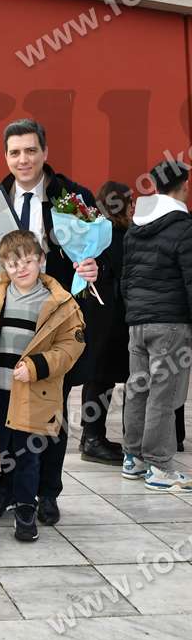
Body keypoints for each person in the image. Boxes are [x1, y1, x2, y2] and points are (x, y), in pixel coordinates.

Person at [0, 118, 98, 540]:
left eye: (30, 150)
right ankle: (5, 491)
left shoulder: (73, 198)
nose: (23, 159)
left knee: (50, 414)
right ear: (6, 156)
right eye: (14, 152)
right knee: (3, 420)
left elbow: (105, 249)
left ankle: (46, 492)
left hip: (52, 325)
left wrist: (94, 267)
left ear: (44, 152)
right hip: (6, 327)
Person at [0, 230, 85, 547]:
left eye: (28, 261)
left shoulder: (60, 302)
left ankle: (26, 511)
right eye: (13, 264)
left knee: (28, 458)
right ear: (3, 265)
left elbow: (70, 346)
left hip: (33, 393)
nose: (21, 269)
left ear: (41, 260)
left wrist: (37, 366)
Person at [121, 160, 192, 492]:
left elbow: (126, 279)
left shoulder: (135, 227)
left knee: (138, 390)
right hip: (171, 323)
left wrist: (136, 312)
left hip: (138, 322)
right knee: (164, 394)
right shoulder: (184, 227)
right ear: (184, 186)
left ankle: (133, 458)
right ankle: (160, 467)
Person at [80, 181, 133, 464]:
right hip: (114, 317)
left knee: (98, 377)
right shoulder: (120, 235)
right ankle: (92, 438)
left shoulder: (95, 233)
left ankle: (91, 436)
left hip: (96, 314)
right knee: (102, 378)